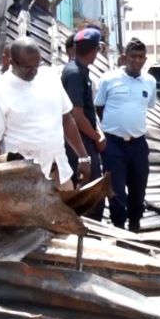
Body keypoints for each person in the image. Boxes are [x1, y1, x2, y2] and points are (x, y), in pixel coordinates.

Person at [0, 38, 91, 188]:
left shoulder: (50, 78)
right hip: (22, 180)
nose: (34, 71)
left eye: (36, 65)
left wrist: (83, 157)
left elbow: (66, 119)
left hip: (58, 171)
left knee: (69, 210)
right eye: (27, 67)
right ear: (12, 63)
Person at [95, 38, 156, 231]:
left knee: (139, 187)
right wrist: (111, 128)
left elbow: (148, 107)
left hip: (138, 144)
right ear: (124, 57)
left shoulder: (150, 81)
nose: (137, 60)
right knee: (116, 190)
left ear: (145, 59)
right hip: (114, 144)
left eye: (141, 57)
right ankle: (119, 227)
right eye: (133, 56)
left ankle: (135, 225)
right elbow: (99, 107)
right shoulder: (108, 79)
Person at [63, 28, 106, 211]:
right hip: (78, 142)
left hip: (85, 138)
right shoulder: (74, 73)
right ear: (95, 50)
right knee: (89, 193)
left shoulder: (81, 70)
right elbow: (77, 116)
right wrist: (97, 138)